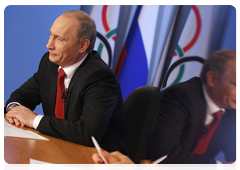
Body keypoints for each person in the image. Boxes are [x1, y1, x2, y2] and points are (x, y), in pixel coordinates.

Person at [5, 10, 129, 155]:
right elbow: (22, 95)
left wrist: (34, 120)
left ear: (83, 46)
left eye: (59, 39)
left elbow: (87, 134)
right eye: (51, 35)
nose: (49, 45)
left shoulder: (99, 76)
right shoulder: (49, 62)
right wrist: (14, 110)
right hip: (59, 148)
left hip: (99, 159)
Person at [150, 49, 238, 170]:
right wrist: (220, 167)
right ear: (212, 79)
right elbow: (164, 154)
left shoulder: (233, 109)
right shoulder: (180, 97)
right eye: (237, 85)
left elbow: (235, 153)